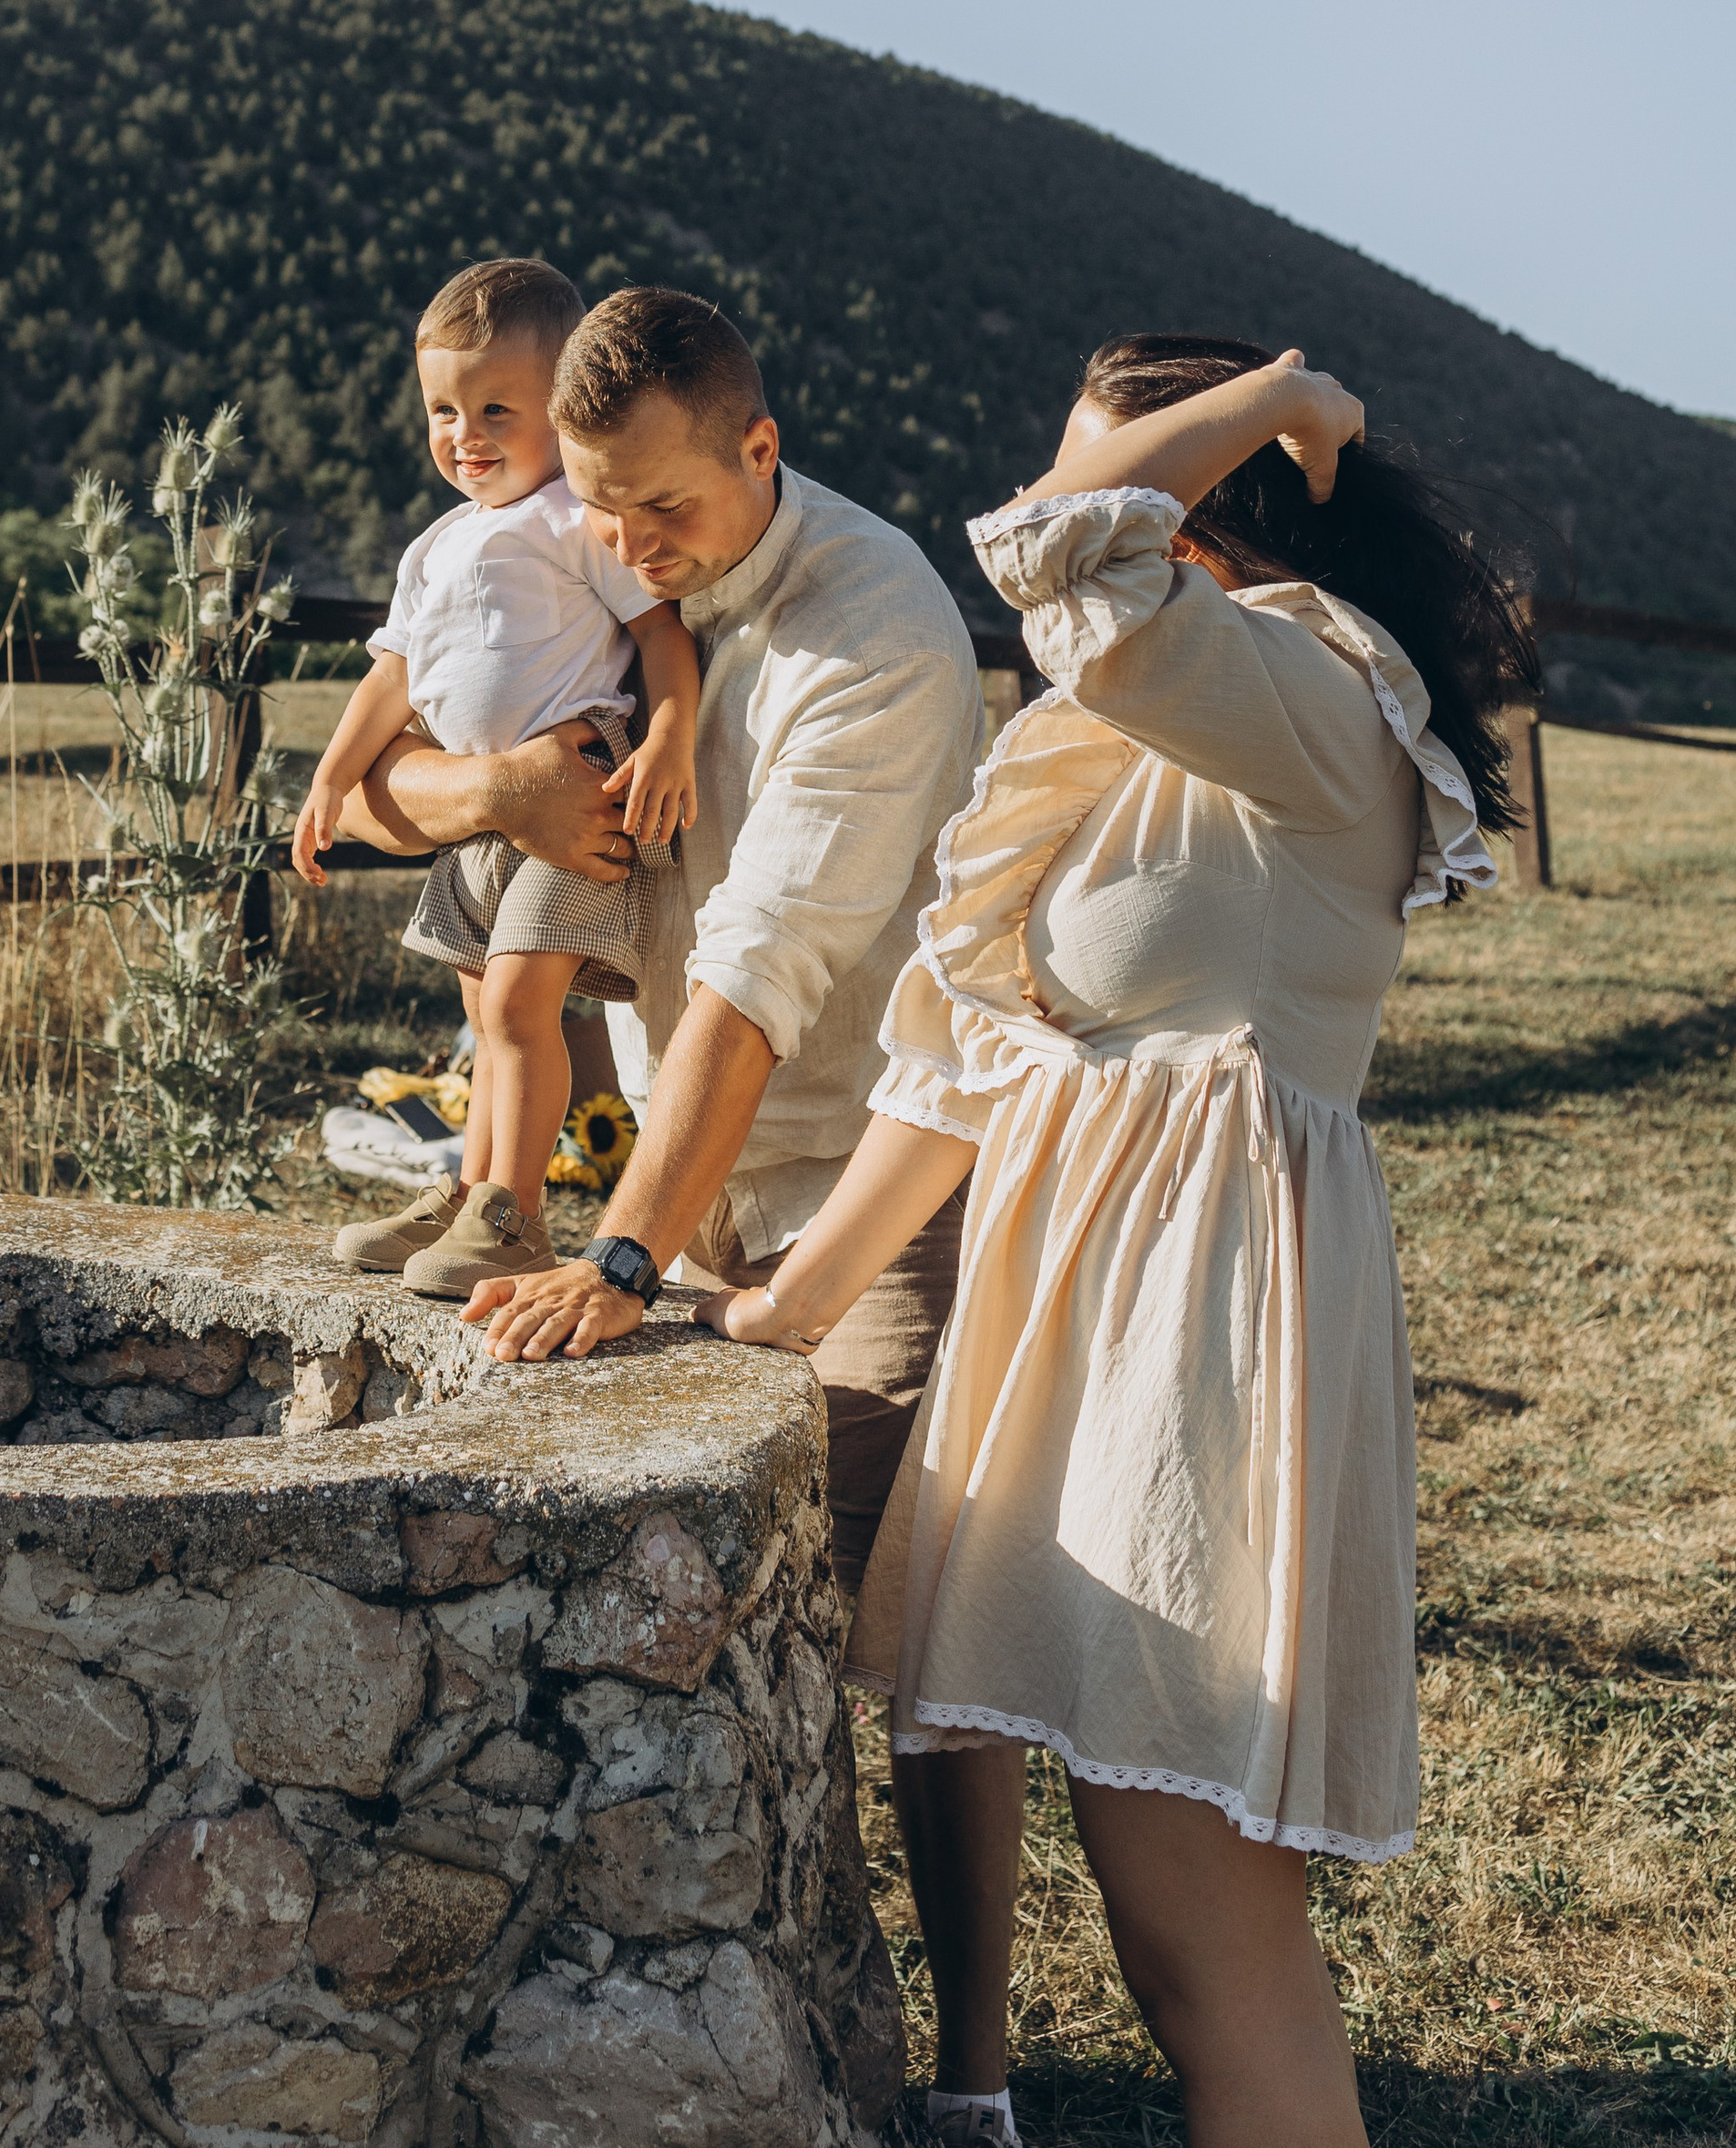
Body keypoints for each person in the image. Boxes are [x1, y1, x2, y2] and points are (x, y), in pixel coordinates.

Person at [695, 336, 1538, 2148]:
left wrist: (1284, 397)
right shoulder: (1138, 721)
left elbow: (1061, 542)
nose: (1062, 482)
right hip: (1087, 1315)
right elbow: (967, 1063)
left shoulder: (1319, 691)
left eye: (1118, 449)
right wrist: (780, 1307)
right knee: (1170, 1925)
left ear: (1204, 486)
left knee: (1201, 1939)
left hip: (1200, 1321)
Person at [331, 282, 987, 1584]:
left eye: (663, 509)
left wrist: (618, 1256)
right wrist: (506, 791)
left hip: (858, 1201)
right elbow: (370, 795)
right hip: (689, 1200)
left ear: (762, 448)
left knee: (875, 1624)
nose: (625, 544)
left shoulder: (870, 632)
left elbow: (758, 970)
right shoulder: (601, 561)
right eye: (599, 502)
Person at [293, 258, 700, 1297]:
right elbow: (393, 678)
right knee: (483, 1016)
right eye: (442, 409)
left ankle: (515, 1221)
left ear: (560, 407)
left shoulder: (576, 517)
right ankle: (471, 1194)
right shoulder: (434, 547)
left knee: (525, 1009)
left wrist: (670, 739)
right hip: (486, 812)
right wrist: (333, 781)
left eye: (494, 408)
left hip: (584, 787)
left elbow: (660, 635)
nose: (463, 434)